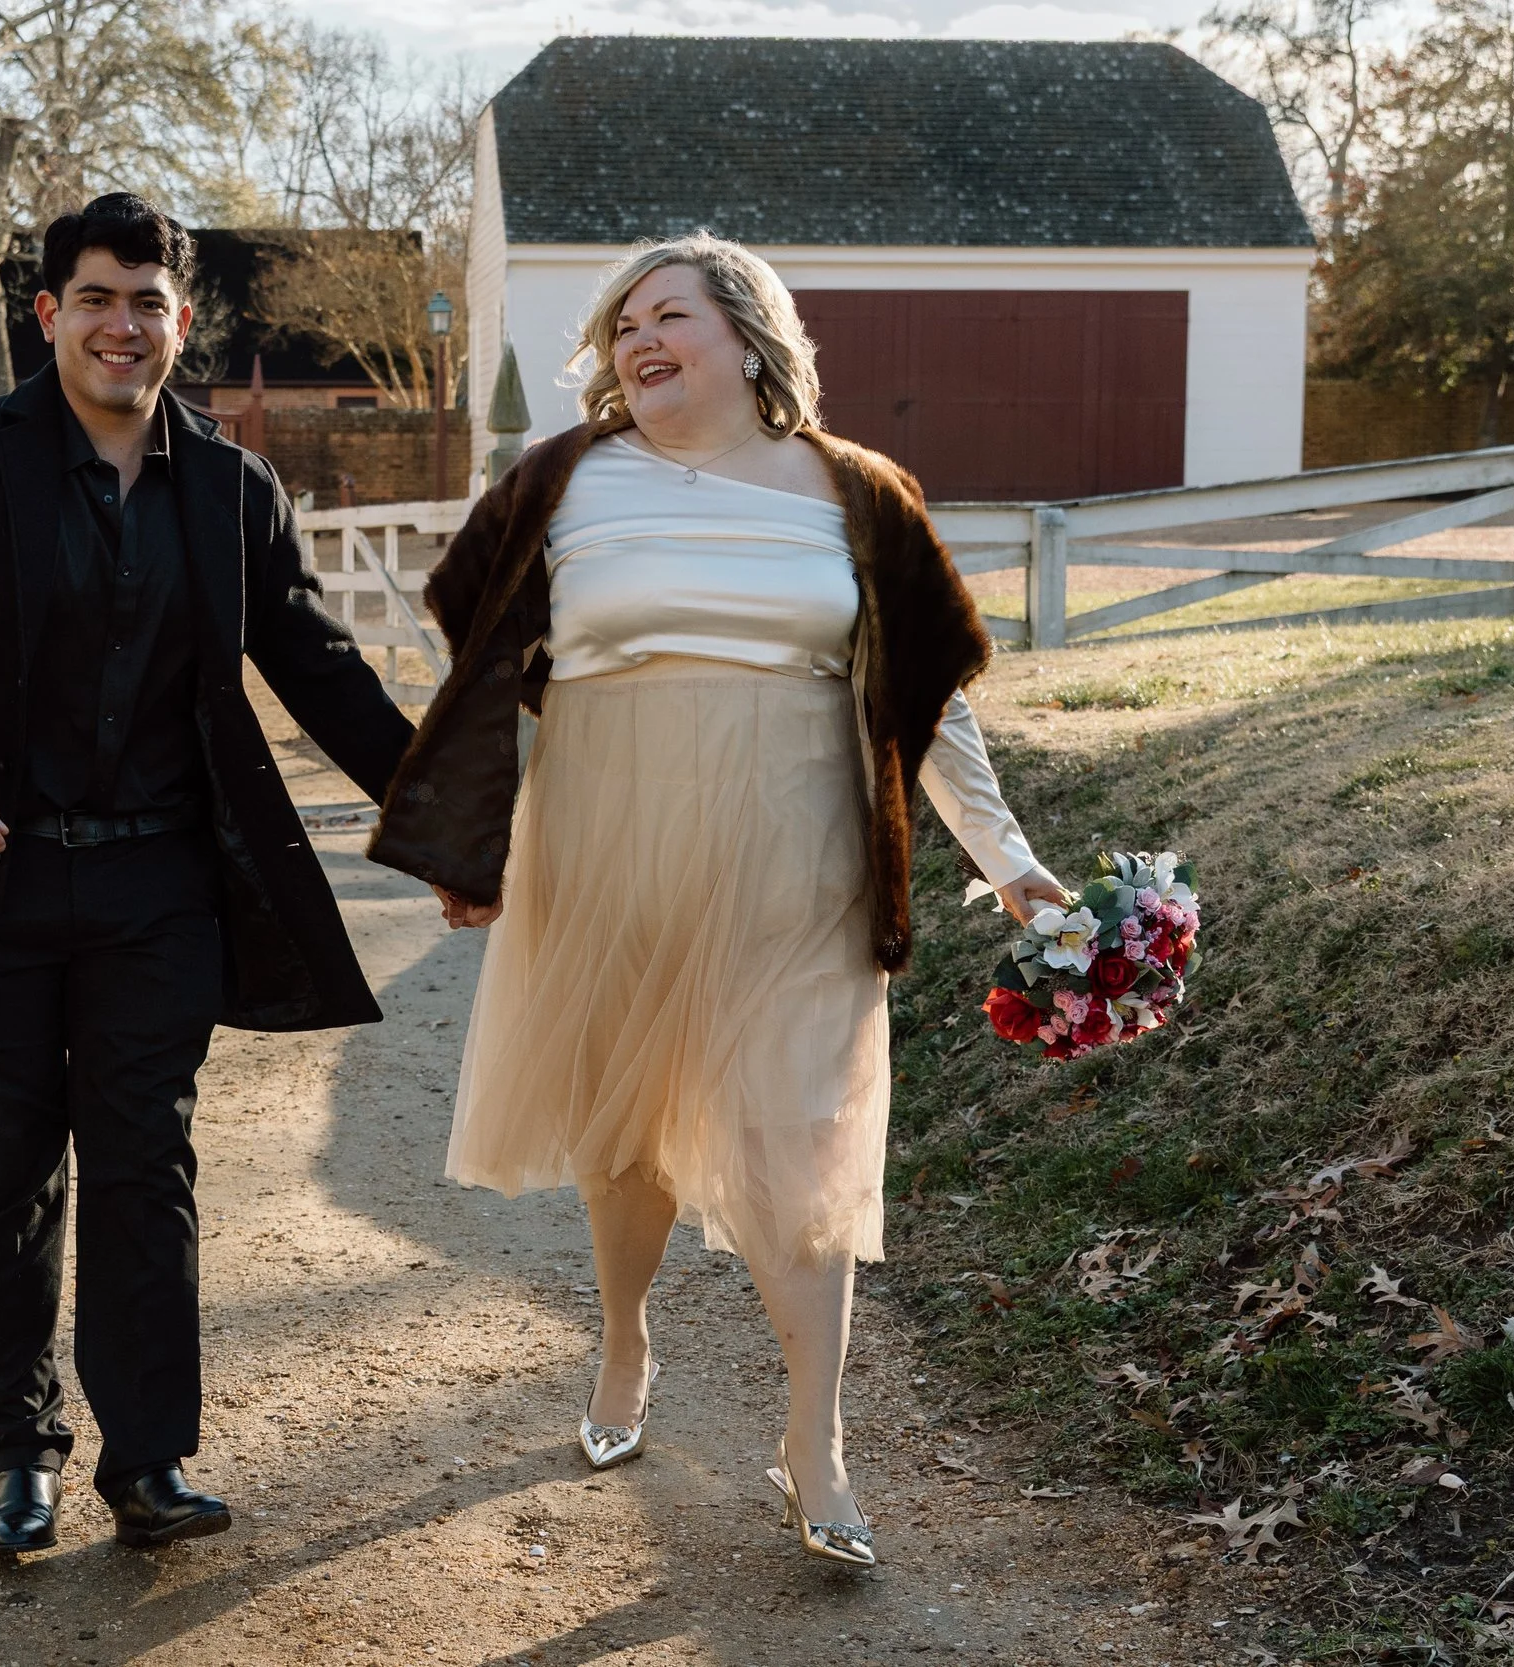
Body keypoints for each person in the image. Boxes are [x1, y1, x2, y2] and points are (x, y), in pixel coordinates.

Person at [368, 233, 1067, 1567]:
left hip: (797, 858)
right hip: (605, 842)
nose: (636, 340)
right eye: (621, 323)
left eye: (667, 314)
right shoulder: (567, 482)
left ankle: (818, 1445)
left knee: (801, 1145)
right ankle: (626, 1336)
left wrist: (1007, 855)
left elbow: (928, 704)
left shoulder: (856, 492)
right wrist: (476, 836)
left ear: (748, 336)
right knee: (623, 1124)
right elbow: (487, 670)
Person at [0, 194, 414, 1554]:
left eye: (146, 302)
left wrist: (449, 825)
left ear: (178, 323)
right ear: (49, 316)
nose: (121, 326)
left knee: (148, 1165)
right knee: (6, 1169)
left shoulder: (230, 488)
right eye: (95, 298)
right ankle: (18, 1453)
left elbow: (318, 670)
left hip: (159, 895)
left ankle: (147, 1461)